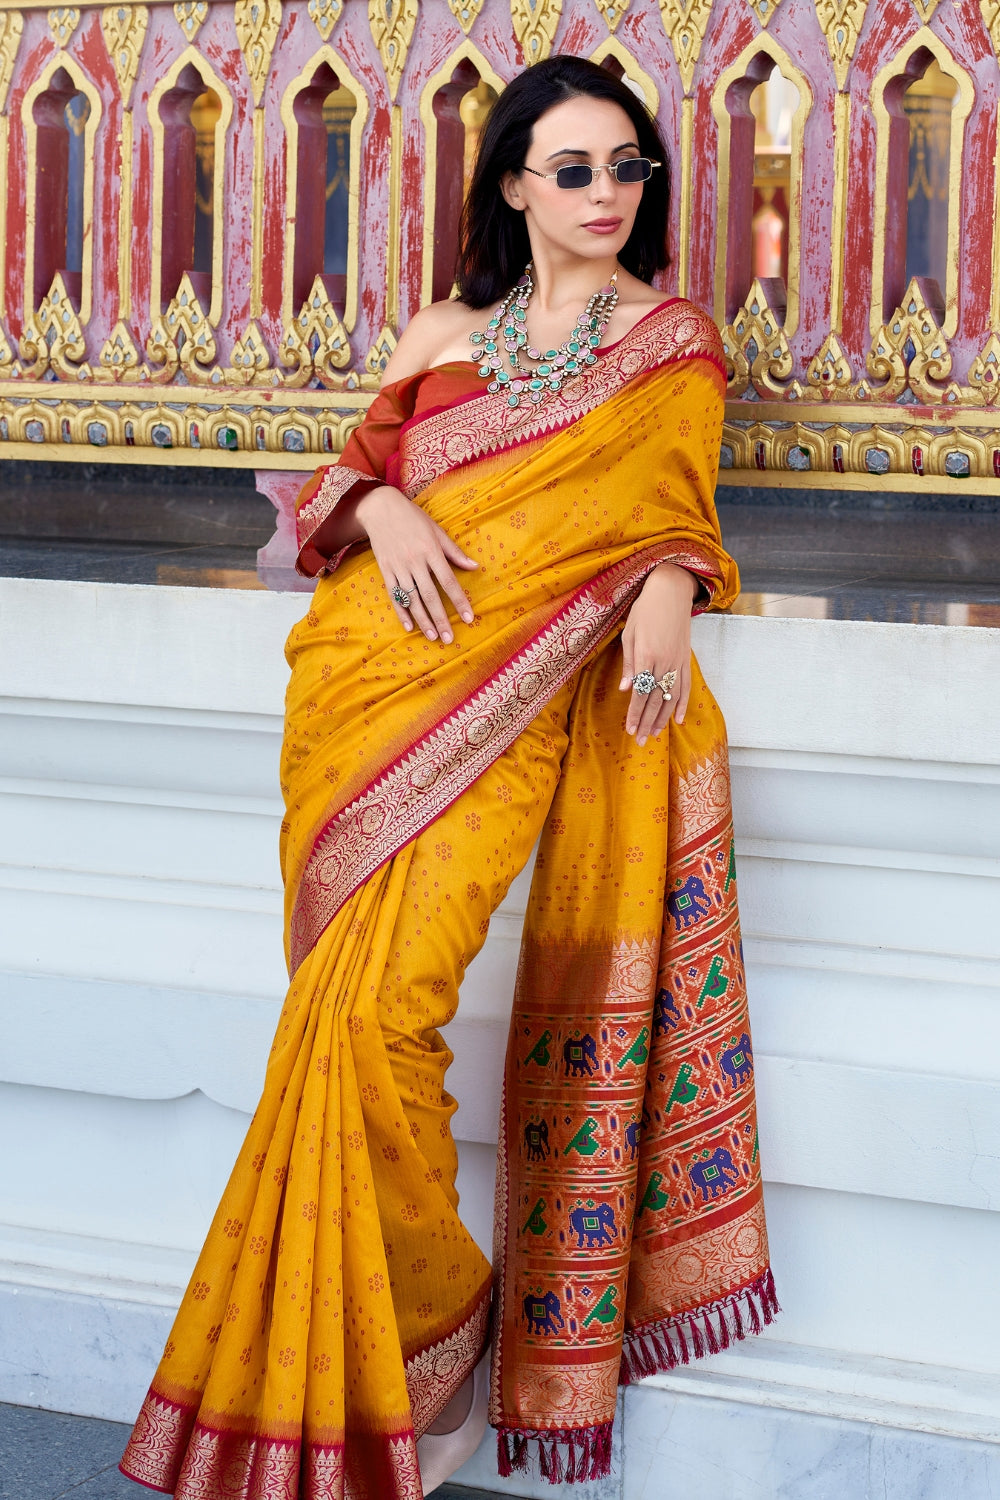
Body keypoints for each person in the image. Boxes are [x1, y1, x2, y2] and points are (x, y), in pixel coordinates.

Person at [121, 54, 776, 1500]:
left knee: (379, 1022)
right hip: (365, 704)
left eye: (629, 168)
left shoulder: (669, 337)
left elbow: (673, 499)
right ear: (513, 183)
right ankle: (432, 1332)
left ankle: (438, 1331)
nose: (609, 193)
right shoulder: (441, 333)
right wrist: (385, 504)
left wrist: (672, 582)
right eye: (578, 169)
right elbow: (327, 489)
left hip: (521, 709)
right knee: (341, 1030)